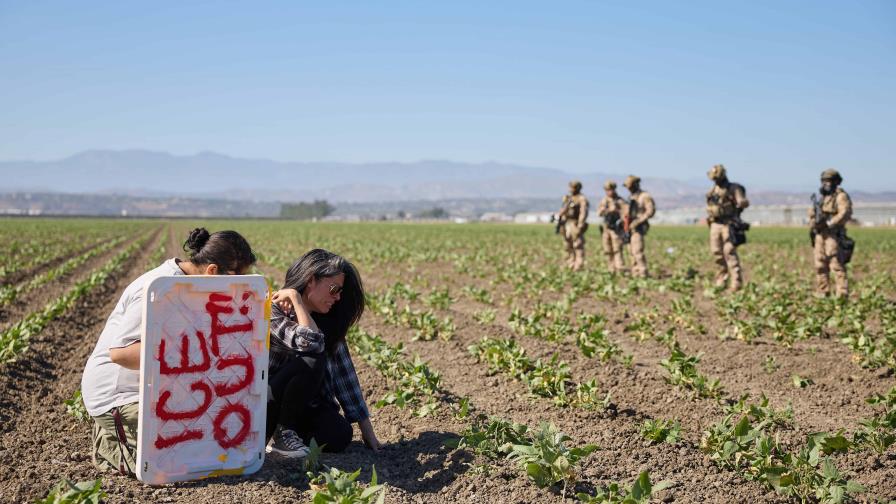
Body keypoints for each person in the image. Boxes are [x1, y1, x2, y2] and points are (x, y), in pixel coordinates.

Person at [81, 228, 257, 475]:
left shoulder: (193, 283)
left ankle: (120, 435)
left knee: (214, 437)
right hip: (119, 393)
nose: (237, 290)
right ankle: (114, 443)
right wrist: (186, 350)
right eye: (237, 281)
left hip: (154, 388)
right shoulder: (155, 290)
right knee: (185, 462)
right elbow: (121, 354)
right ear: (213, 271)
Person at [266, 249, 382, 459]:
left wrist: (367, 429)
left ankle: (288, 438)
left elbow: (344, 374)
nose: (337, 297)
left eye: (340, 292)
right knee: (313, 357)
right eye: (333, 289)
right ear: (311, 280)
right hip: (267, 403)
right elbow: (310, 344)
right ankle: (282, 436)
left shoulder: (327, 320)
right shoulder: (274, 310)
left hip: (301, 407)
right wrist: (295, 299)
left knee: (339, 434)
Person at [809, 169, 853, 299]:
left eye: (829, 181)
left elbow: (844, 213)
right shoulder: (822, 198)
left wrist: (828, 223)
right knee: (820, 265)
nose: (826, 184)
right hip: (820, 235)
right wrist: (814, 222)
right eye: (824, 181)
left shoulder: (841, 196)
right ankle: (823, 292)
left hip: (833, 235)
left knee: (836, 264)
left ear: (836, 182)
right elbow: (812, 215)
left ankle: (842, 294)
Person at [706, 164, 750, 291]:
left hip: (729, 224)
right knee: (717, 252)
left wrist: (742, 202)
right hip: (715, 224)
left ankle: (736, 282)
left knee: (729, 251)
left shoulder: (734, 188)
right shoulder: (713, 191)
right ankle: (721, 279)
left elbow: (743, 201)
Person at [622, 175, 655, 278]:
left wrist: (638, 221)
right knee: (631, 251)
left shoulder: (644, 196)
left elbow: (650, 211)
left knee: (637, 251)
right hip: (628, 228)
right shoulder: (631, 197)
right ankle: (635, 272)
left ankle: (643, 272)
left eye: (629, 186)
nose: (628, 189)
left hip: (638, 228)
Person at [557, 180, 589, 271]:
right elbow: (563, 211)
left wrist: (580, 225)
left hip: (575, 224)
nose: (571, 190)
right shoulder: (568, 198)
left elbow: (583, 213)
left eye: (573, 188)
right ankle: (570, 264)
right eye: (570, 187)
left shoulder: (581, 199)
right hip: (567, 224)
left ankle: (578, 265)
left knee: (577, 246)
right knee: (568, 246)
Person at [597, 180, 627, 274]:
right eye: (607, 190)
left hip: (616, 229)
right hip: (606, 228)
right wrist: (607, 210)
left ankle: (619, 268)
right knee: (607, 249)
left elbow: (625, 214)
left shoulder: (620, 201)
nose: (609, 192)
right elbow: (599, 213)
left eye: (610, 190)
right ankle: (611, 268)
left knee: (617, 249)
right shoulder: (604, 200)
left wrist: (617, 211)